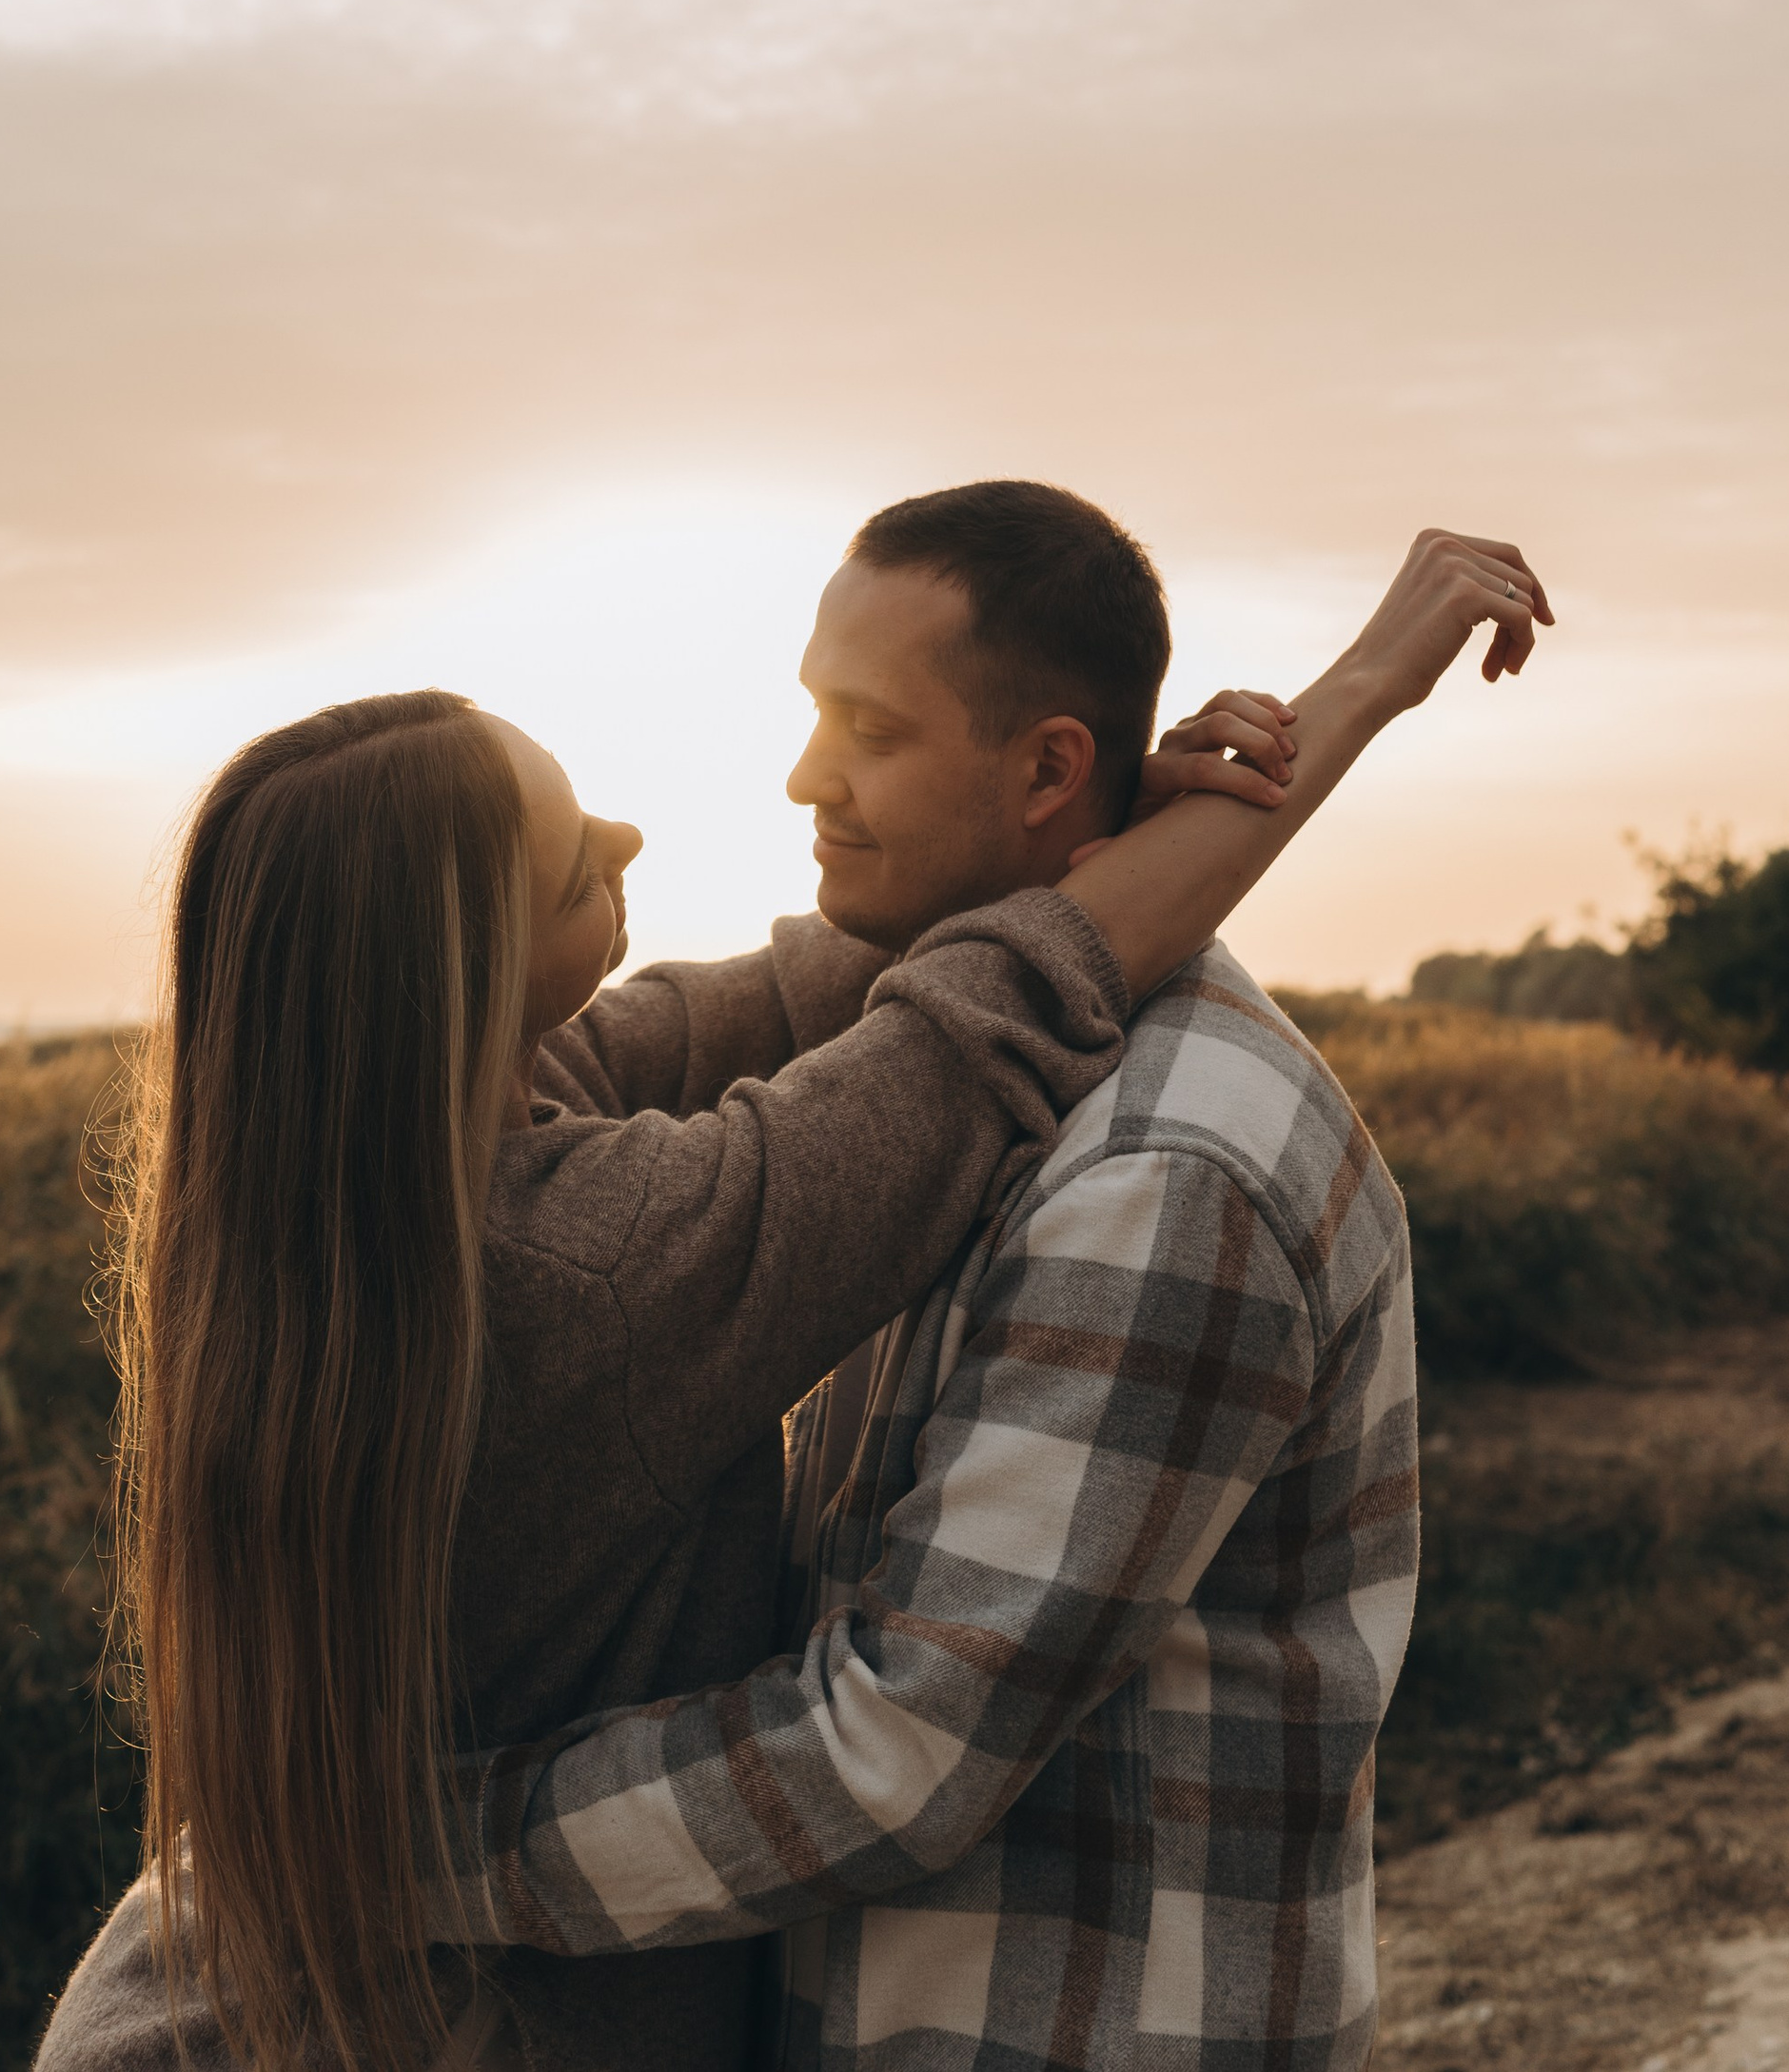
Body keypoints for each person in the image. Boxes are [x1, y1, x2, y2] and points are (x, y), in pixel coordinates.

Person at [35, 505, 1351, 2072]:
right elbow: (961, 1026)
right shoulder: (588, 1263)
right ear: (462, 967)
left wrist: (1109, 807)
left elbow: (829, 986)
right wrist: (1362, 688)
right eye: (571, 849)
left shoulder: (325, 1220)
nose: (632, 842)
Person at [439, 494, 1552, 2072]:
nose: (804, 776)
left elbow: (892, 1750)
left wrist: (415, 1855)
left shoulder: (1164, 1172)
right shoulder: (946, 1089)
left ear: (1043, 769)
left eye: (866, 728)